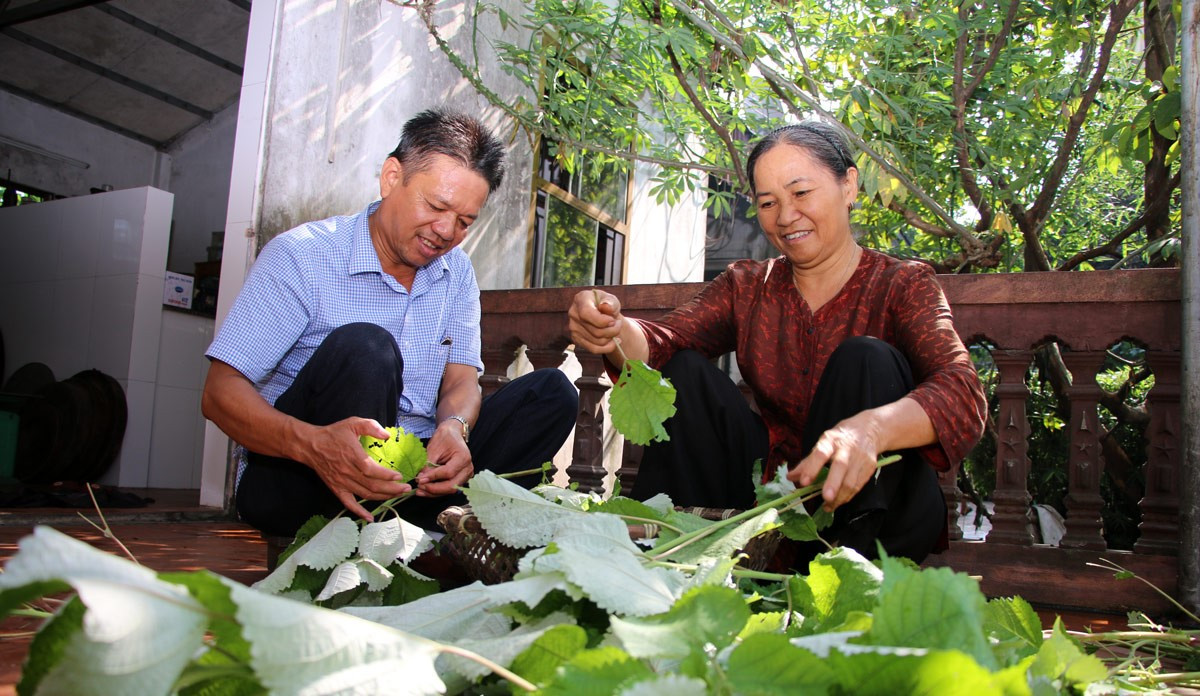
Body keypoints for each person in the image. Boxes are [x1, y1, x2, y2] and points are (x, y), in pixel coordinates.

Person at [568, 121, 986, 564]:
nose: (785, 217)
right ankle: (663, 554)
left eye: (801, 193)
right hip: (770, 499)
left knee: (866, 358)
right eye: (768, 203)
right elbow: (665, 340)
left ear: (849, 186)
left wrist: (874, 428)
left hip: (876, 519)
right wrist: (612, 328)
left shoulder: (903, 284)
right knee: (685, 373)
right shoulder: (747, 286)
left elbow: (963, 393)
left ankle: (845, 576)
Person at [203, 109, 578, 539]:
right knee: (367, 348)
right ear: (391, 178)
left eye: (465, 222)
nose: (445, 230)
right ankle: (399, 530)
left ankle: (435, 528)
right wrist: (313, 445)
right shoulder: (302, 256)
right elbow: (219, 393)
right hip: (303, 475)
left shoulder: (456, 273)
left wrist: (455, 430)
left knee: (551, 393)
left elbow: (461, 381)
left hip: (409, 478)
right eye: (436, 206)